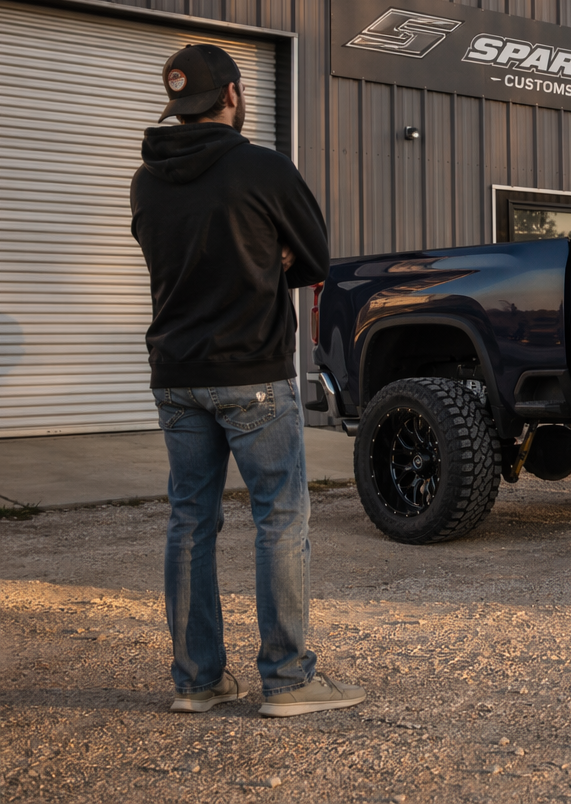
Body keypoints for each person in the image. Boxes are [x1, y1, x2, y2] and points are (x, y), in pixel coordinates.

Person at [130, 44, 363, 717]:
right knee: (280, 519)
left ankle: (197, 681)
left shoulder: (147, 179)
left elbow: (171, 262)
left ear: (178, 103)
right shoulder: (261, 168)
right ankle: (288, 681)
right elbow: (314, 259)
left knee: (189, 522)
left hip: (175, 376)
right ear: (232, 96)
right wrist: (268, 259)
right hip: (252, 374)